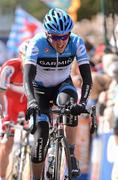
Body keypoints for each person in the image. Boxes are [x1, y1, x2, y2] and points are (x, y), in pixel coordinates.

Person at [23, 8, 92, 179]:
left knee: (70, 105)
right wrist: (31, 101)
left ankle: (71, 154)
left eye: (64, 36)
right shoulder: (36, 43)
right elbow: (27, 75)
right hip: (39, 90)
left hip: (63, 85)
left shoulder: (76, 42)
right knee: (40, 139)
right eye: (55, 37)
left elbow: (87, 78)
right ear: (47, 34)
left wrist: (82, 103)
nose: (60, 42)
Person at [0, 41, 28, 180]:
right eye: (26, 58)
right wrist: (3, 113)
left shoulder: (40, 69)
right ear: (20, 56)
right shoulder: (10, 67)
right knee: (6, 145)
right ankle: (2, 177)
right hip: (10, 107)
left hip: (28, 106)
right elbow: (0, 92)